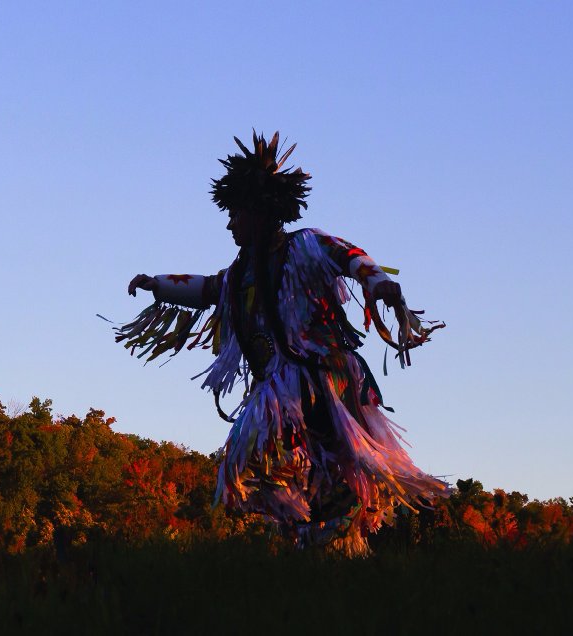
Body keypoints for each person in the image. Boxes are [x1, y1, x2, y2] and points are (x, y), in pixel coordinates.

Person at [116, 132, 446, 556]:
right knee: (281, 464)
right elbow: (206, 290)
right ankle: (317, 525)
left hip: (320, 375)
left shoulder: (305, 246)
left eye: (235, 214)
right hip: (283, 383)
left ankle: (332, 514)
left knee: (261, 447)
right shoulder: (240, 275)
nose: (230, 223)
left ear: (258, 211)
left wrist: (378, 282)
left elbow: (351, 256)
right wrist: (156, 284)